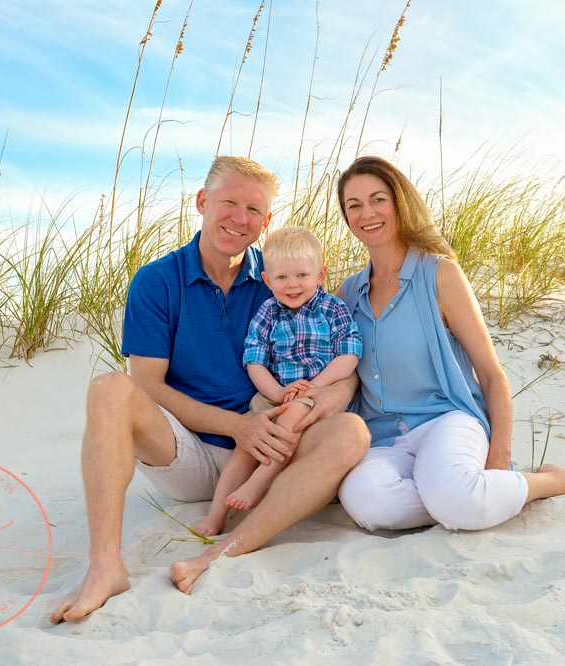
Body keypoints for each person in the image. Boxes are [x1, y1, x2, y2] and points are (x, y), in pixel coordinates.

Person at [50, 156, 369, 618]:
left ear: (267, 221)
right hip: (189, 453)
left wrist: (313, 402)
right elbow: (148, 385)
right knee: (109, 389)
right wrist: (239, 427)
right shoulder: (158, 281)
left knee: (352, 433)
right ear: (202, 201)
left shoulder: (281, 275)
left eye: (254, 210)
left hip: (275, 448)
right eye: (229, 202)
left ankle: (222, 551)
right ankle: (105, 567)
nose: (240, 219)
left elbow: (347, 361)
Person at [333, 155, 565, 533]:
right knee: (371, 506)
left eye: (378, 199)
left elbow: (491, 374)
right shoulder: (348, 292)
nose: (367, 213)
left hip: (445, 421)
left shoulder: (439, 274)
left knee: (456, 497)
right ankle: (462, 494)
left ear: (399, 202)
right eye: (354, 205)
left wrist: (499, 454)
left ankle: (553, 481)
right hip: (382, 437)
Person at [194, 226, 363, 537]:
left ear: (320, 274)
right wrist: (277, 392)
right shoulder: (268, 312)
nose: (293, 284)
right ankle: (216, 515)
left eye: (301, 275)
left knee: (295, 415)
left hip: (316, 396)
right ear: (268, 280)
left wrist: (315, 385)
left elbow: (350, 355)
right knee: (247, 445)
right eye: (282, 278)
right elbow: (254, 360)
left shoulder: (332, 309)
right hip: (274, 394)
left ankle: (261, 481)